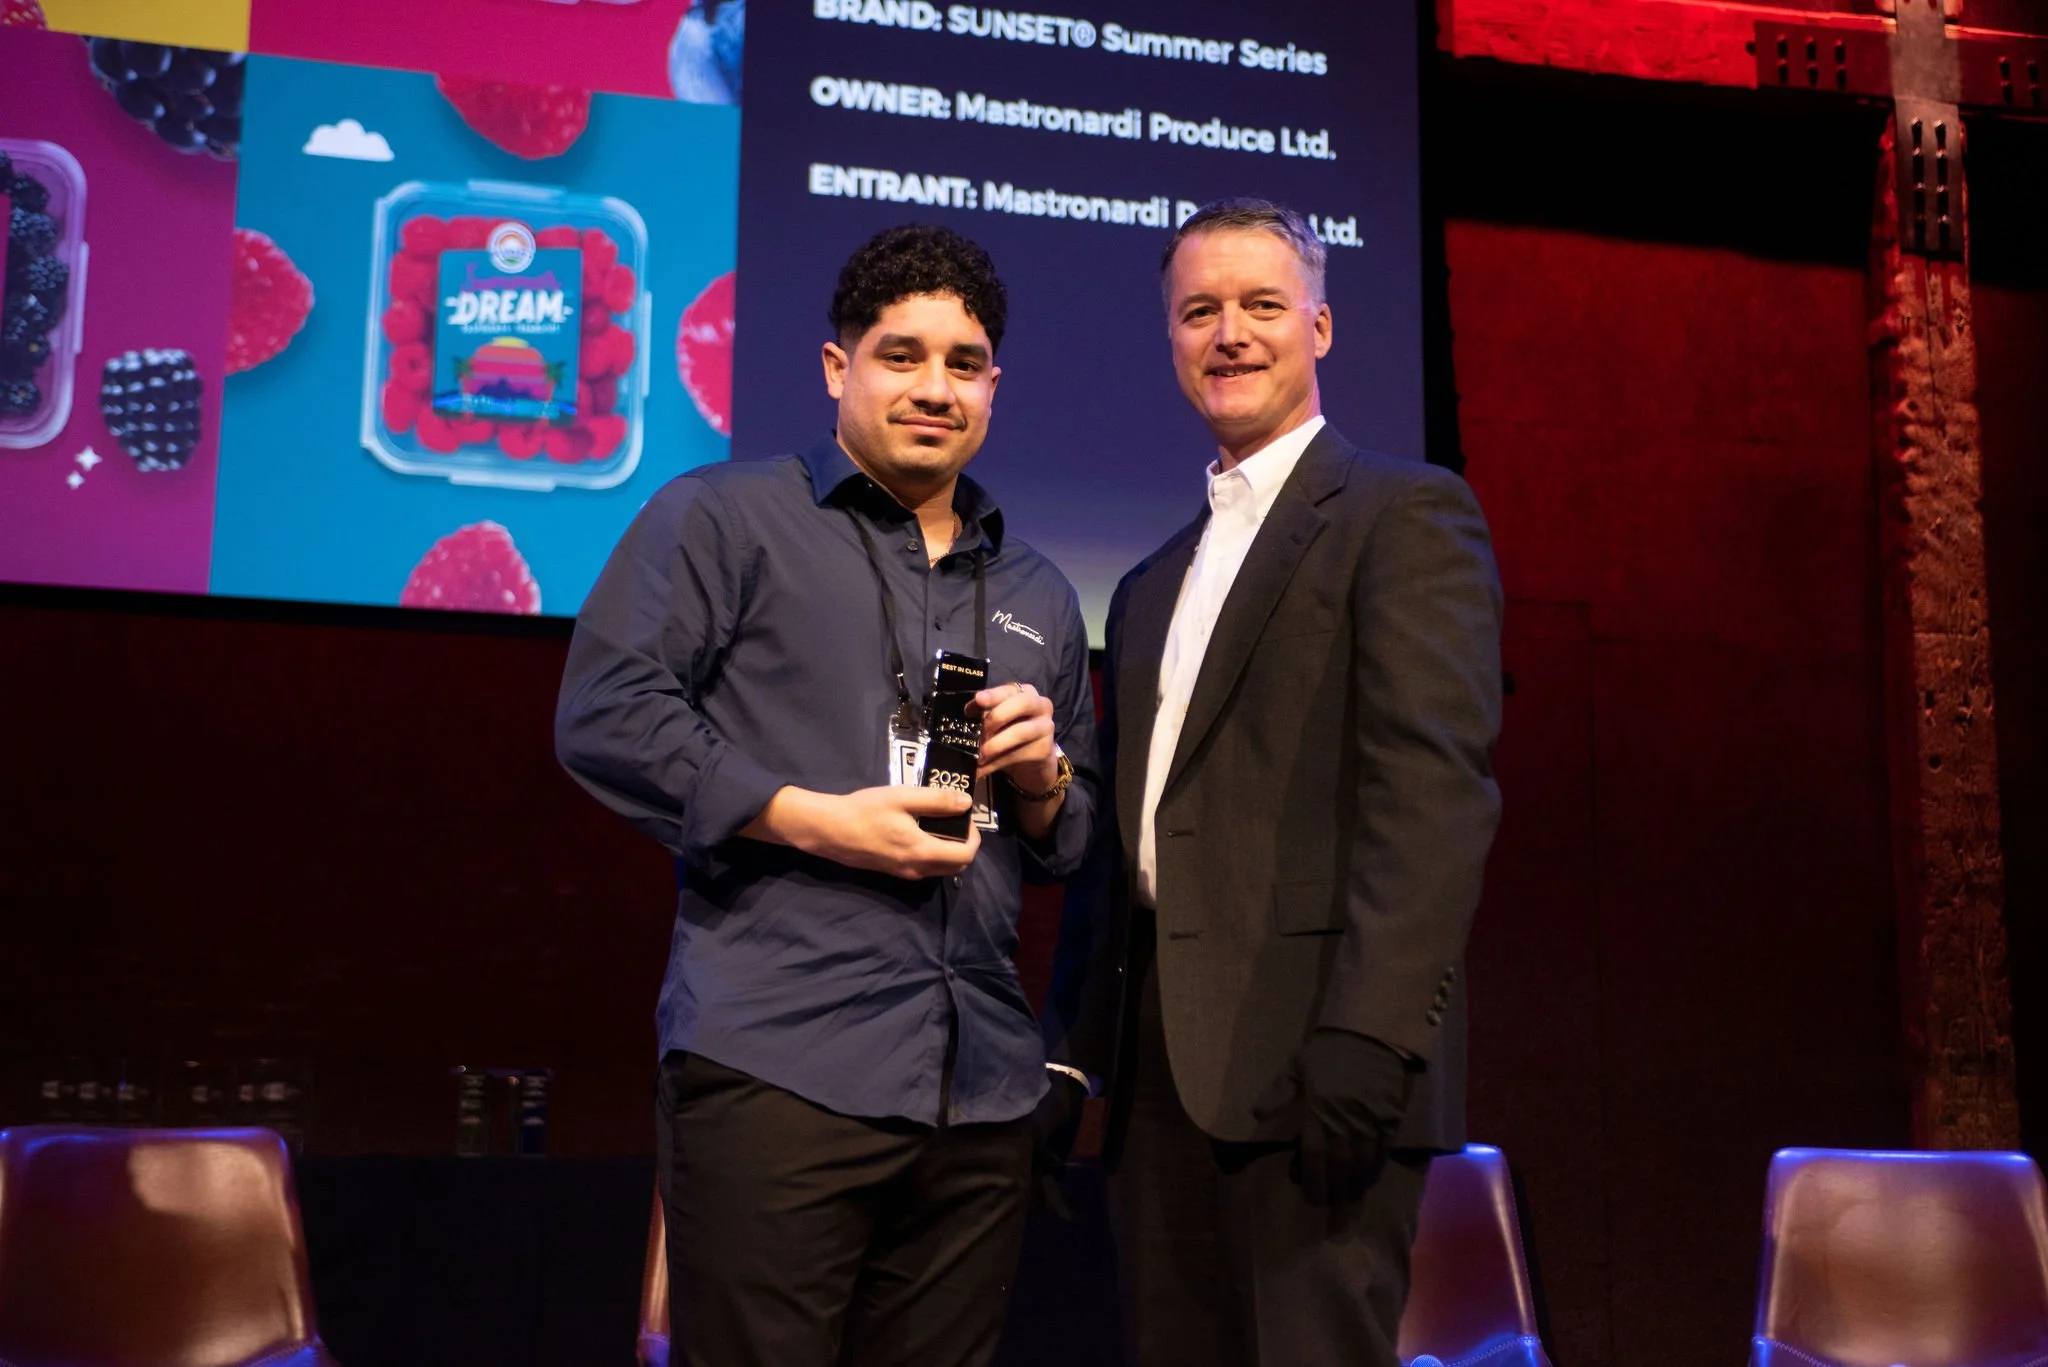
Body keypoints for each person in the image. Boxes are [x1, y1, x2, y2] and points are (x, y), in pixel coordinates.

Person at [556, 223, 1099, 1367]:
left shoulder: (1041, 591)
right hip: (780, 1066)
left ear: (992, 386)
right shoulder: (725, 518)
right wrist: (810, 817)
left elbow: (1065, 842)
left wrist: (1043, 776)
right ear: (834, 366)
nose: (934, 386)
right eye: (901, 354)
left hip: (980, 1091)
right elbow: (606, 710)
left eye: (963, 363)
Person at [1039, 198, 1504, 1366]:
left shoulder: (1403, 514)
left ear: (1320, 327)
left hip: (1320, 1067)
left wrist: (1370, 1036)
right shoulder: (1146, 584)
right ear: (1170, 338)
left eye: (1260, 304)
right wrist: (1071, 1048)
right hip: (1155, 1082)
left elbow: (1430, 797)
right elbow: (1130, 839)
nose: (1229, 333)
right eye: (1199, 310)